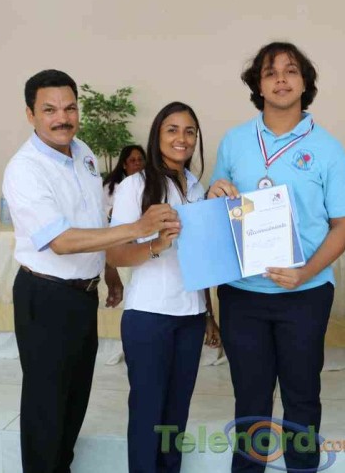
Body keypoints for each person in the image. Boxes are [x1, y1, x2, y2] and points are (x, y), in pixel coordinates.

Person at [2, 69, 179, 473]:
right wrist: (137, 228)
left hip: (82, 296)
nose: (62, 118)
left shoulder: (81, 152)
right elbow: (61, 241)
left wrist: (109, 269)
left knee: (74, 397)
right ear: (30, 114)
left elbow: (92, 220)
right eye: (50, 110)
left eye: (69, 108)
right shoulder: (25, 168)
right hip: (45, 297)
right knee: (46, 406)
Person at [208, 42, 345, 472]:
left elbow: (344, 224)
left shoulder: (328, 148)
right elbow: (218, 211)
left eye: (290, 71)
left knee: (302, 397)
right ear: (258, 85)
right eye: (270, 72)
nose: (280, 79)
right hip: (242, 293)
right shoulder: (235, 141)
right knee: (250, 400)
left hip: (305, 294)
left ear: (305, 82)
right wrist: (215, 194)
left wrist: (305, 272)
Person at [107, 101, 221, 473]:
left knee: (176, 414)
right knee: (148, 412)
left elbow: (201, 260)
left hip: (190, 317)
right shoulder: (135, 186)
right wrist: (156, 244)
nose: (181, 138)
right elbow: (116, 254)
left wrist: (208, 315)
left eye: (189, 131)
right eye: (172, 129)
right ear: (157, 135)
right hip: (149, 315)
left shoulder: (198, 187)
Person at [103, 144, 146, 217]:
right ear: (124, 165)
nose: (137, 163)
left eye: (140, 160)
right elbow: (102, 207)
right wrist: (113, 211)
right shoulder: (113, 186)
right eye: (132, 160)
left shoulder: (151, 183)